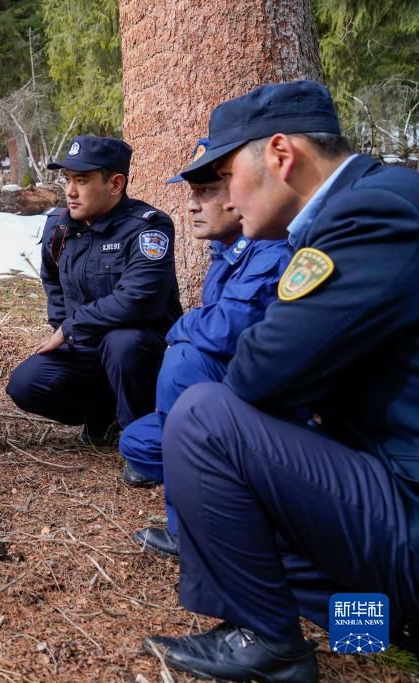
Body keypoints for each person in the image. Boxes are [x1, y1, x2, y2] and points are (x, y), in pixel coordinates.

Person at [144, 81, 419, 682]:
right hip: (394, 485)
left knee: (203, 418)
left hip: (409, 504)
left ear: (279, 154)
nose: (225, 197)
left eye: (224, 172)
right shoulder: (371, 203)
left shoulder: (372, 213)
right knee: (252, 528)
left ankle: (268, 644)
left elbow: (261, 373)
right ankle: (378, 624)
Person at [119, 138, 291, 557]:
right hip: (231, 402)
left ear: (239, 194)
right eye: (191, 194)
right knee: (137, 442)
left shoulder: (270, 250)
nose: (192, 206)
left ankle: (193, 528)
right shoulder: (229, 249)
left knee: (185, 360)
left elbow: (224, 329)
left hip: (272, 412)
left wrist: (182, 327)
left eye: (207, 192)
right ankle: (224, 482)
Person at [6, 135, 182, 443]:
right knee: (25, 384)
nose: (70, 192)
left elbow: (138, 301)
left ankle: (142, 437)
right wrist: (62, 325)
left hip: (141, 349)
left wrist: (72, 326)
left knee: (122, 343)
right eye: (67, 180)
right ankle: (104, 413)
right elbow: (53, 282)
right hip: (86, 345)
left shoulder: (147, 228)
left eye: (82, 181)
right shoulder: (60, 227)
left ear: (115, 184)